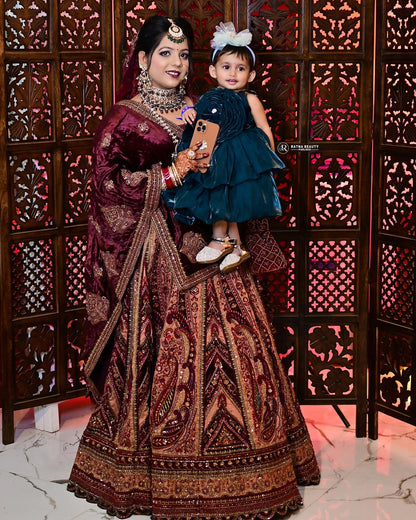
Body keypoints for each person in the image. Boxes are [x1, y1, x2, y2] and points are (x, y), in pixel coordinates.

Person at [67, 15, 320, 520]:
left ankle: (253, 464)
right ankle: (158, 468)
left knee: (235, 338)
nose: (176, 62)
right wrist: (171, 172)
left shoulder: (202, 106)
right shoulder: (124, 118)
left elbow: (241, 154)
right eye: (165, 53)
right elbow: (105, 184)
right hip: (153, 251)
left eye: (182, 54)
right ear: (143, 60)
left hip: (208, 236)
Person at [164, 22, 285, 274]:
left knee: (229, 198)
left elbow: (264, 128)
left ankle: (221, 240)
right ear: (213, 70)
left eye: (241, 68)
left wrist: (268, 160)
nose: (233, 73)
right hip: (215, 155)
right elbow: (202, 122)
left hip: (241, 158)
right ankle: (235, 246)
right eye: (226, 67)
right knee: (220, 195)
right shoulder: (208, 97)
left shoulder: (250, 98)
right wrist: (189, 113)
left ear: (251, 75)